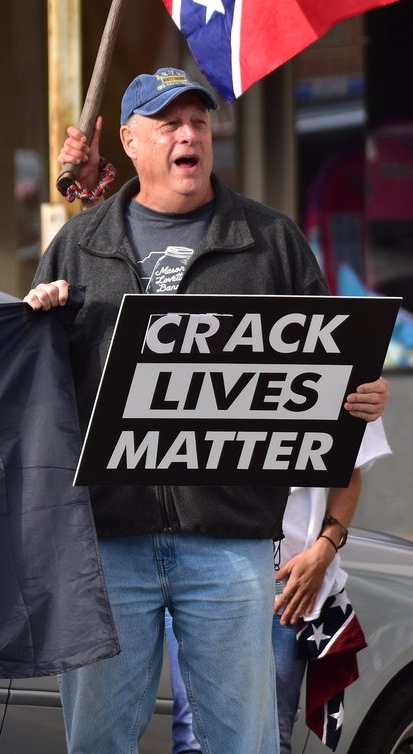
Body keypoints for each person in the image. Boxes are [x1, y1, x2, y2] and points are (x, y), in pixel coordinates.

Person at [26, 67, 388, 754]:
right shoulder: (79, 245)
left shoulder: (272, 242)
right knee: (98, 741)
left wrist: (364, 395)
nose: (189, 134)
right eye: (169, 123)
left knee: (244, 744)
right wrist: (34, 317)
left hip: (230, 544)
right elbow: (37, 392)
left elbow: (339, 371)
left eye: (198, 120)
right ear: (131, 142)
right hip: (108, 543)